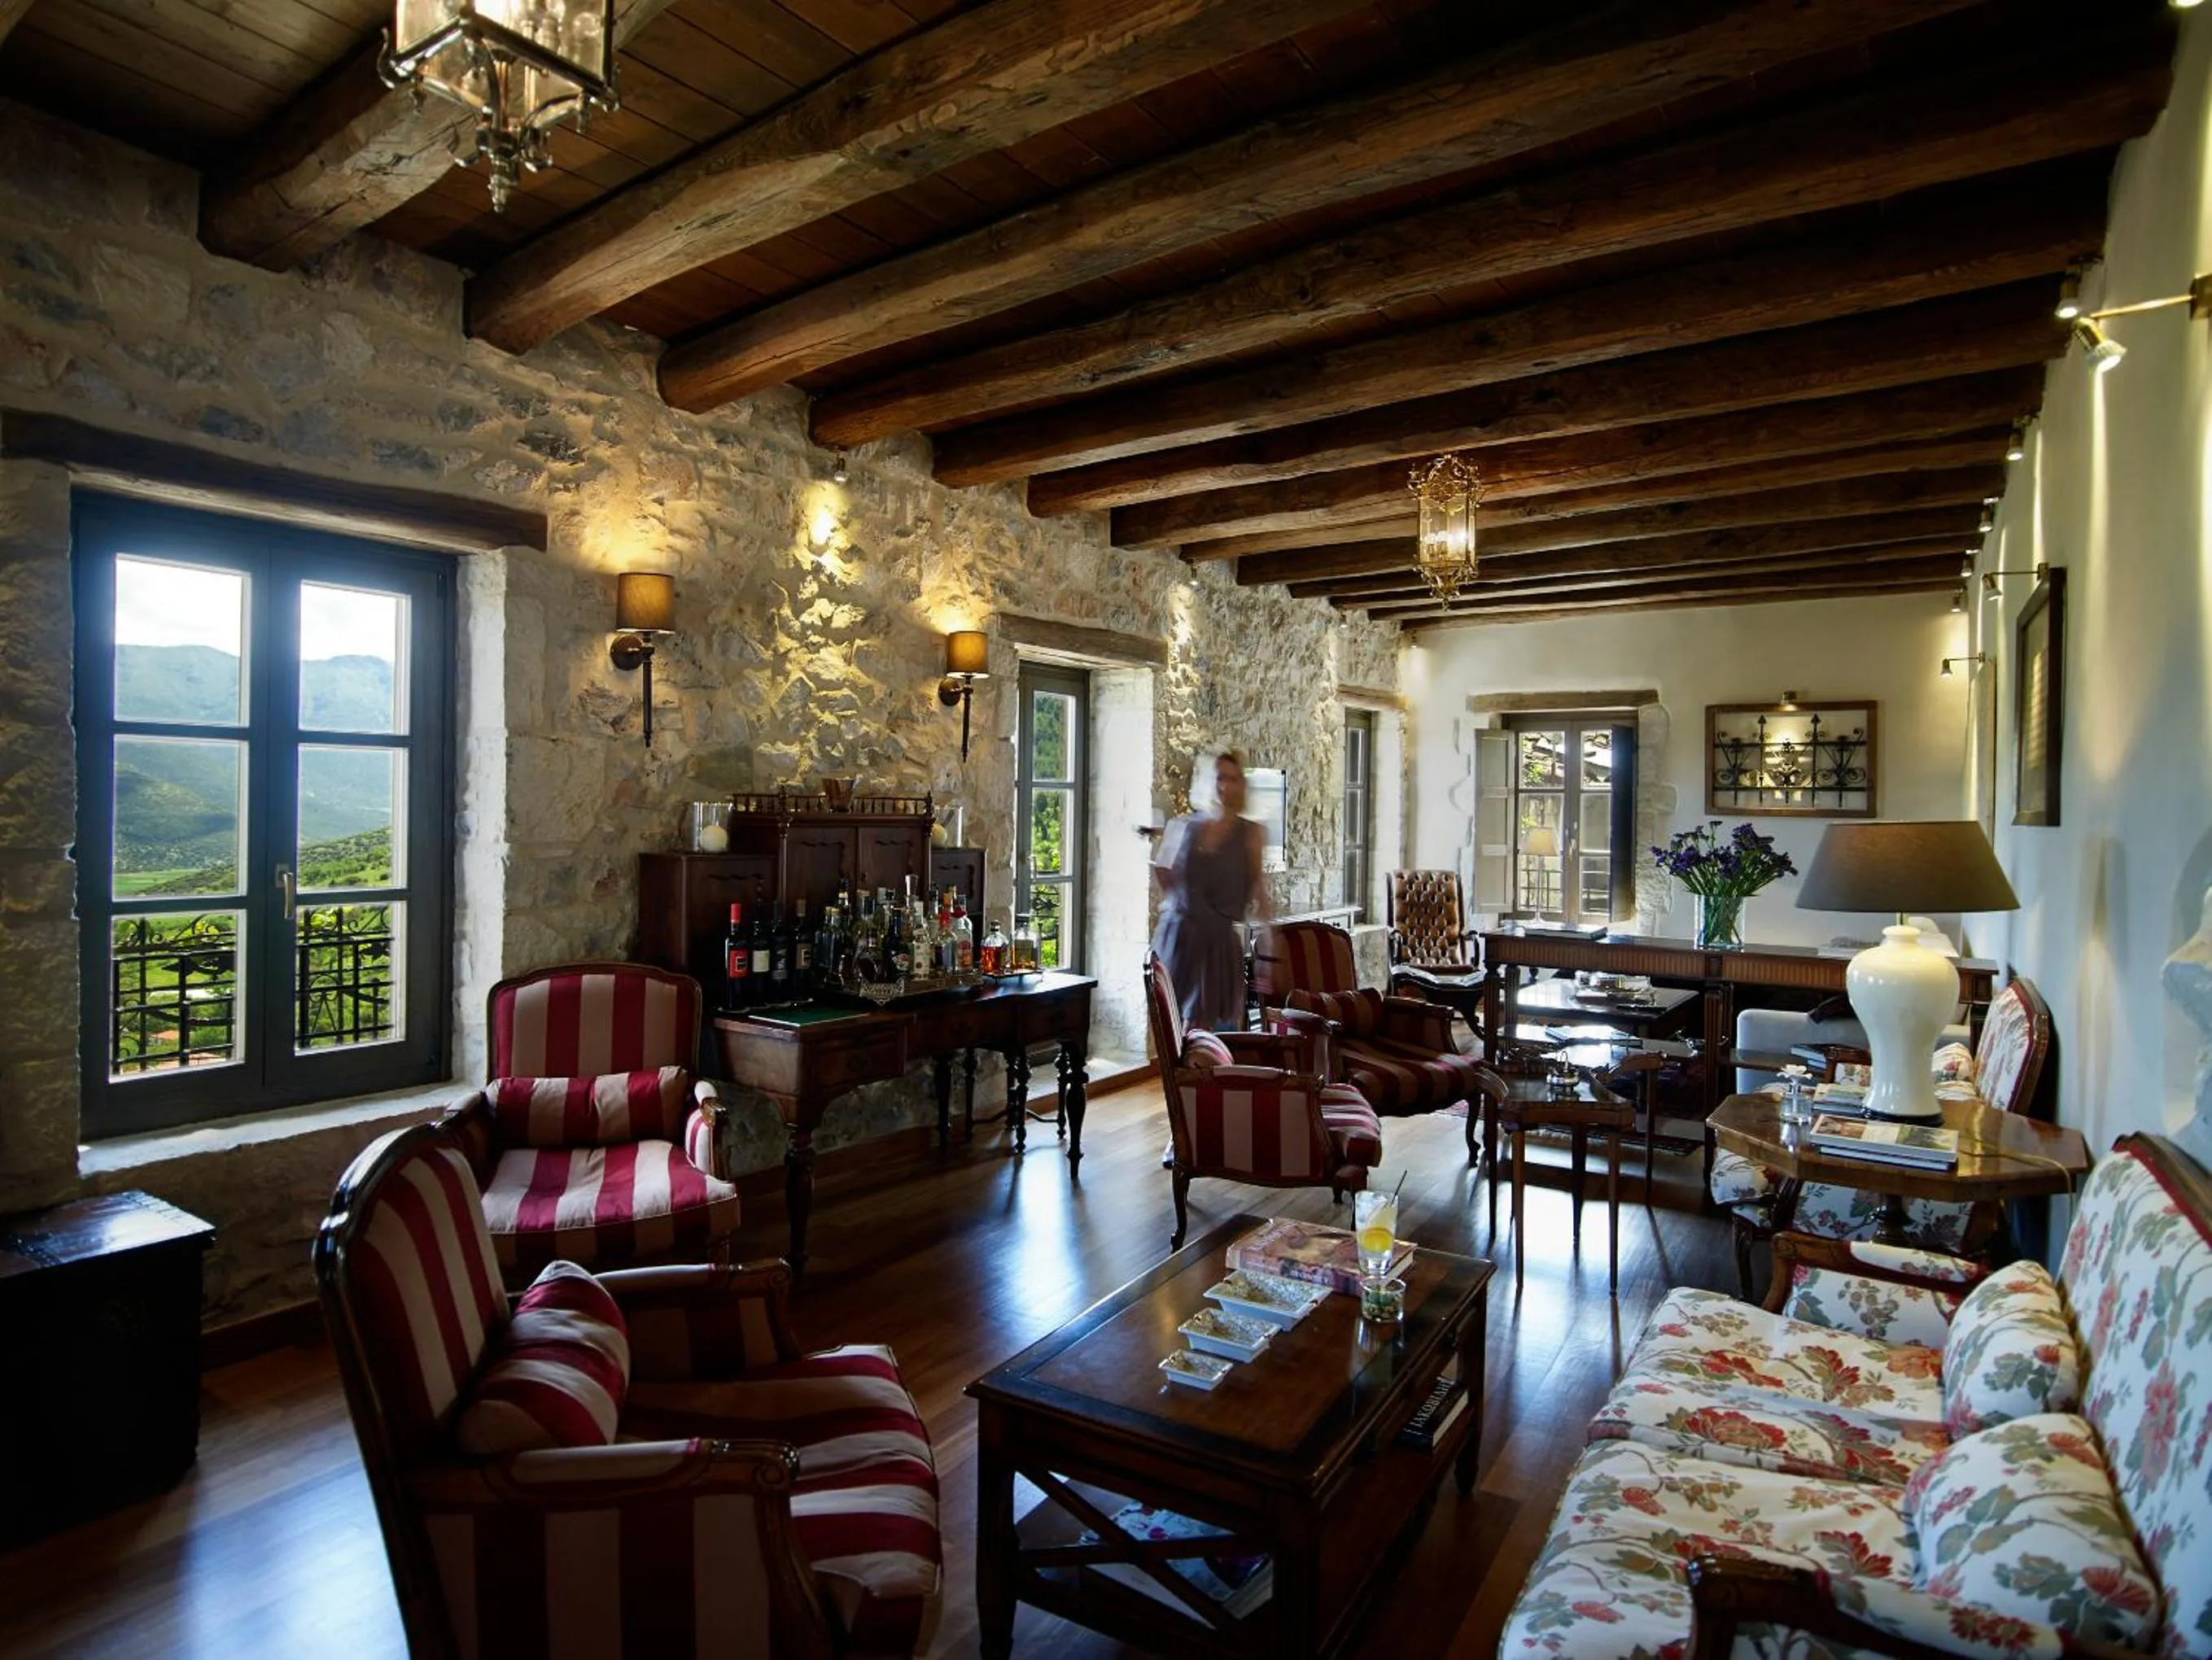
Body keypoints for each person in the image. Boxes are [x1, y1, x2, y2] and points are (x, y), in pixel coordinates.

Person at [1152, 750, 1271, 1031]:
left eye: (1232, 779)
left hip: (1217, 942)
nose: (1224, 786)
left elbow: (1259, 891)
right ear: (1208, 781)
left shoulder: (1251, 834)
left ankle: (1196, 1074)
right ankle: (1179, 1074)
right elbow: (1163, 873)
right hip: (1178, 935)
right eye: (1219, 778)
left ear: (1241, 784)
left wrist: (1269, 953)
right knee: (1169, 1023)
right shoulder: (1181, 826)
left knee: (1198, 1026)